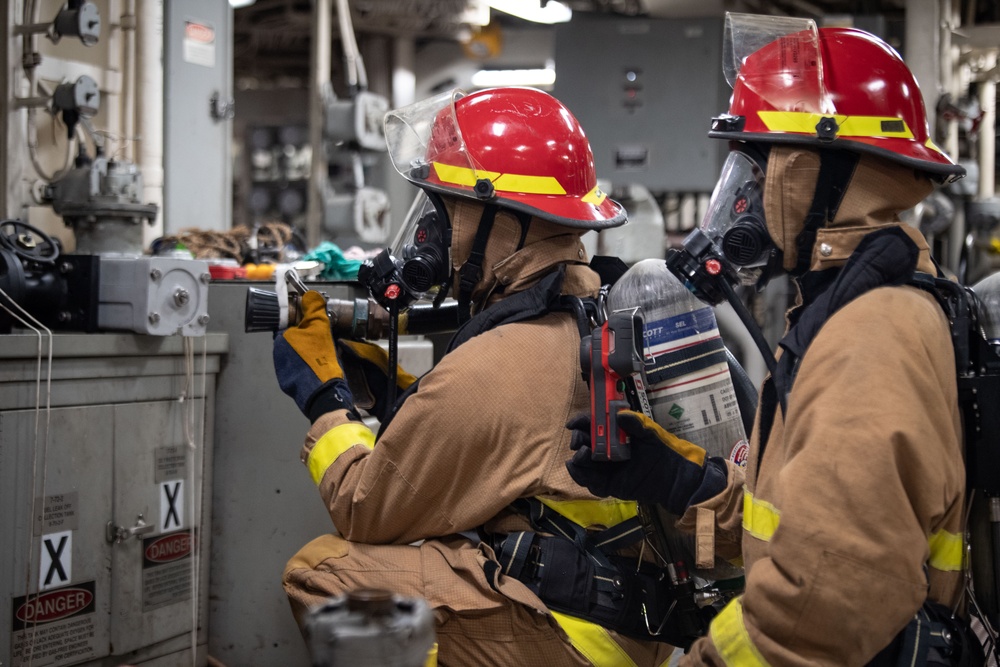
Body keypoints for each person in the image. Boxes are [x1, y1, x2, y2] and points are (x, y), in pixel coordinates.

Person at [566, 15, 981, 666]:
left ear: (822, 173)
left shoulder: (870, 337)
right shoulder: (841, 311)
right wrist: (682, 481)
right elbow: (794, 533)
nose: (742, 205)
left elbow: (816, 609)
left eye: (759, 173)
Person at [272, 87, 677, 666]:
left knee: (324, 572)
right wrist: (400, 395)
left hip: (575, 639)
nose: (431, 232)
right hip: (627, 616)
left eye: (447, 207)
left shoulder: (506, 359)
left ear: (502, 220)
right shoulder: (593, 306)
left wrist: (325, 398)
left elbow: (366, 506)